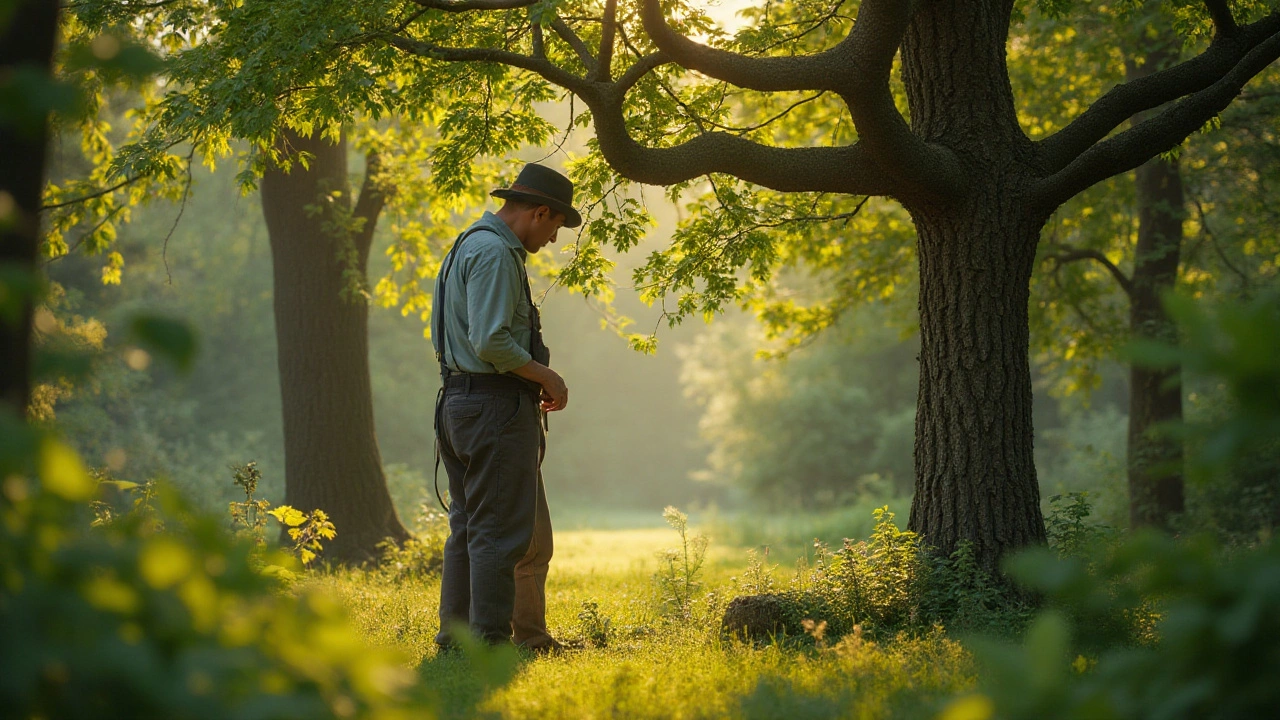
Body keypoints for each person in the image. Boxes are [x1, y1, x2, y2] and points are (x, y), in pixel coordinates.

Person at [431, 163, 579, 651]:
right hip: (492, 408)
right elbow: (492, 340)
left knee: (468, 528)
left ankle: (455, 642)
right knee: (498, 534)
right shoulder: (496, 253)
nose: (554, 239)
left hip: (458, 402)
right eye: (556, 226)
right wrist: (546, 376)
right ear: (540, 212)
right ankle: (490, 646)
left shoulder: (466, 243)